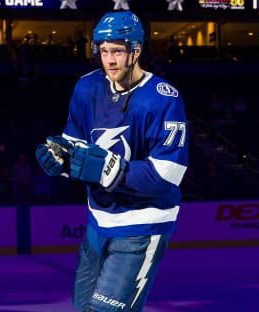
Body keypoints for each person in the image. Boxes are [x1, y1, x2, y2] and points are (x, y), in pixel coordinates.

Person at [35, 11, 188, 312]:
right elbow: (77, 147)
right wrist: (60, 160)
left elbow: (170, 173)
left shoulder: (163, 98)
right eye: (103, 51)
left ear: (136, 50)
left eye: (117, 50)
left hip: (143, 224)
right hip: (98, 221)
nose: (110, 59)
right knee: (83, 308)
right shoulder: (87, 87)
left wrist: (110, 170)